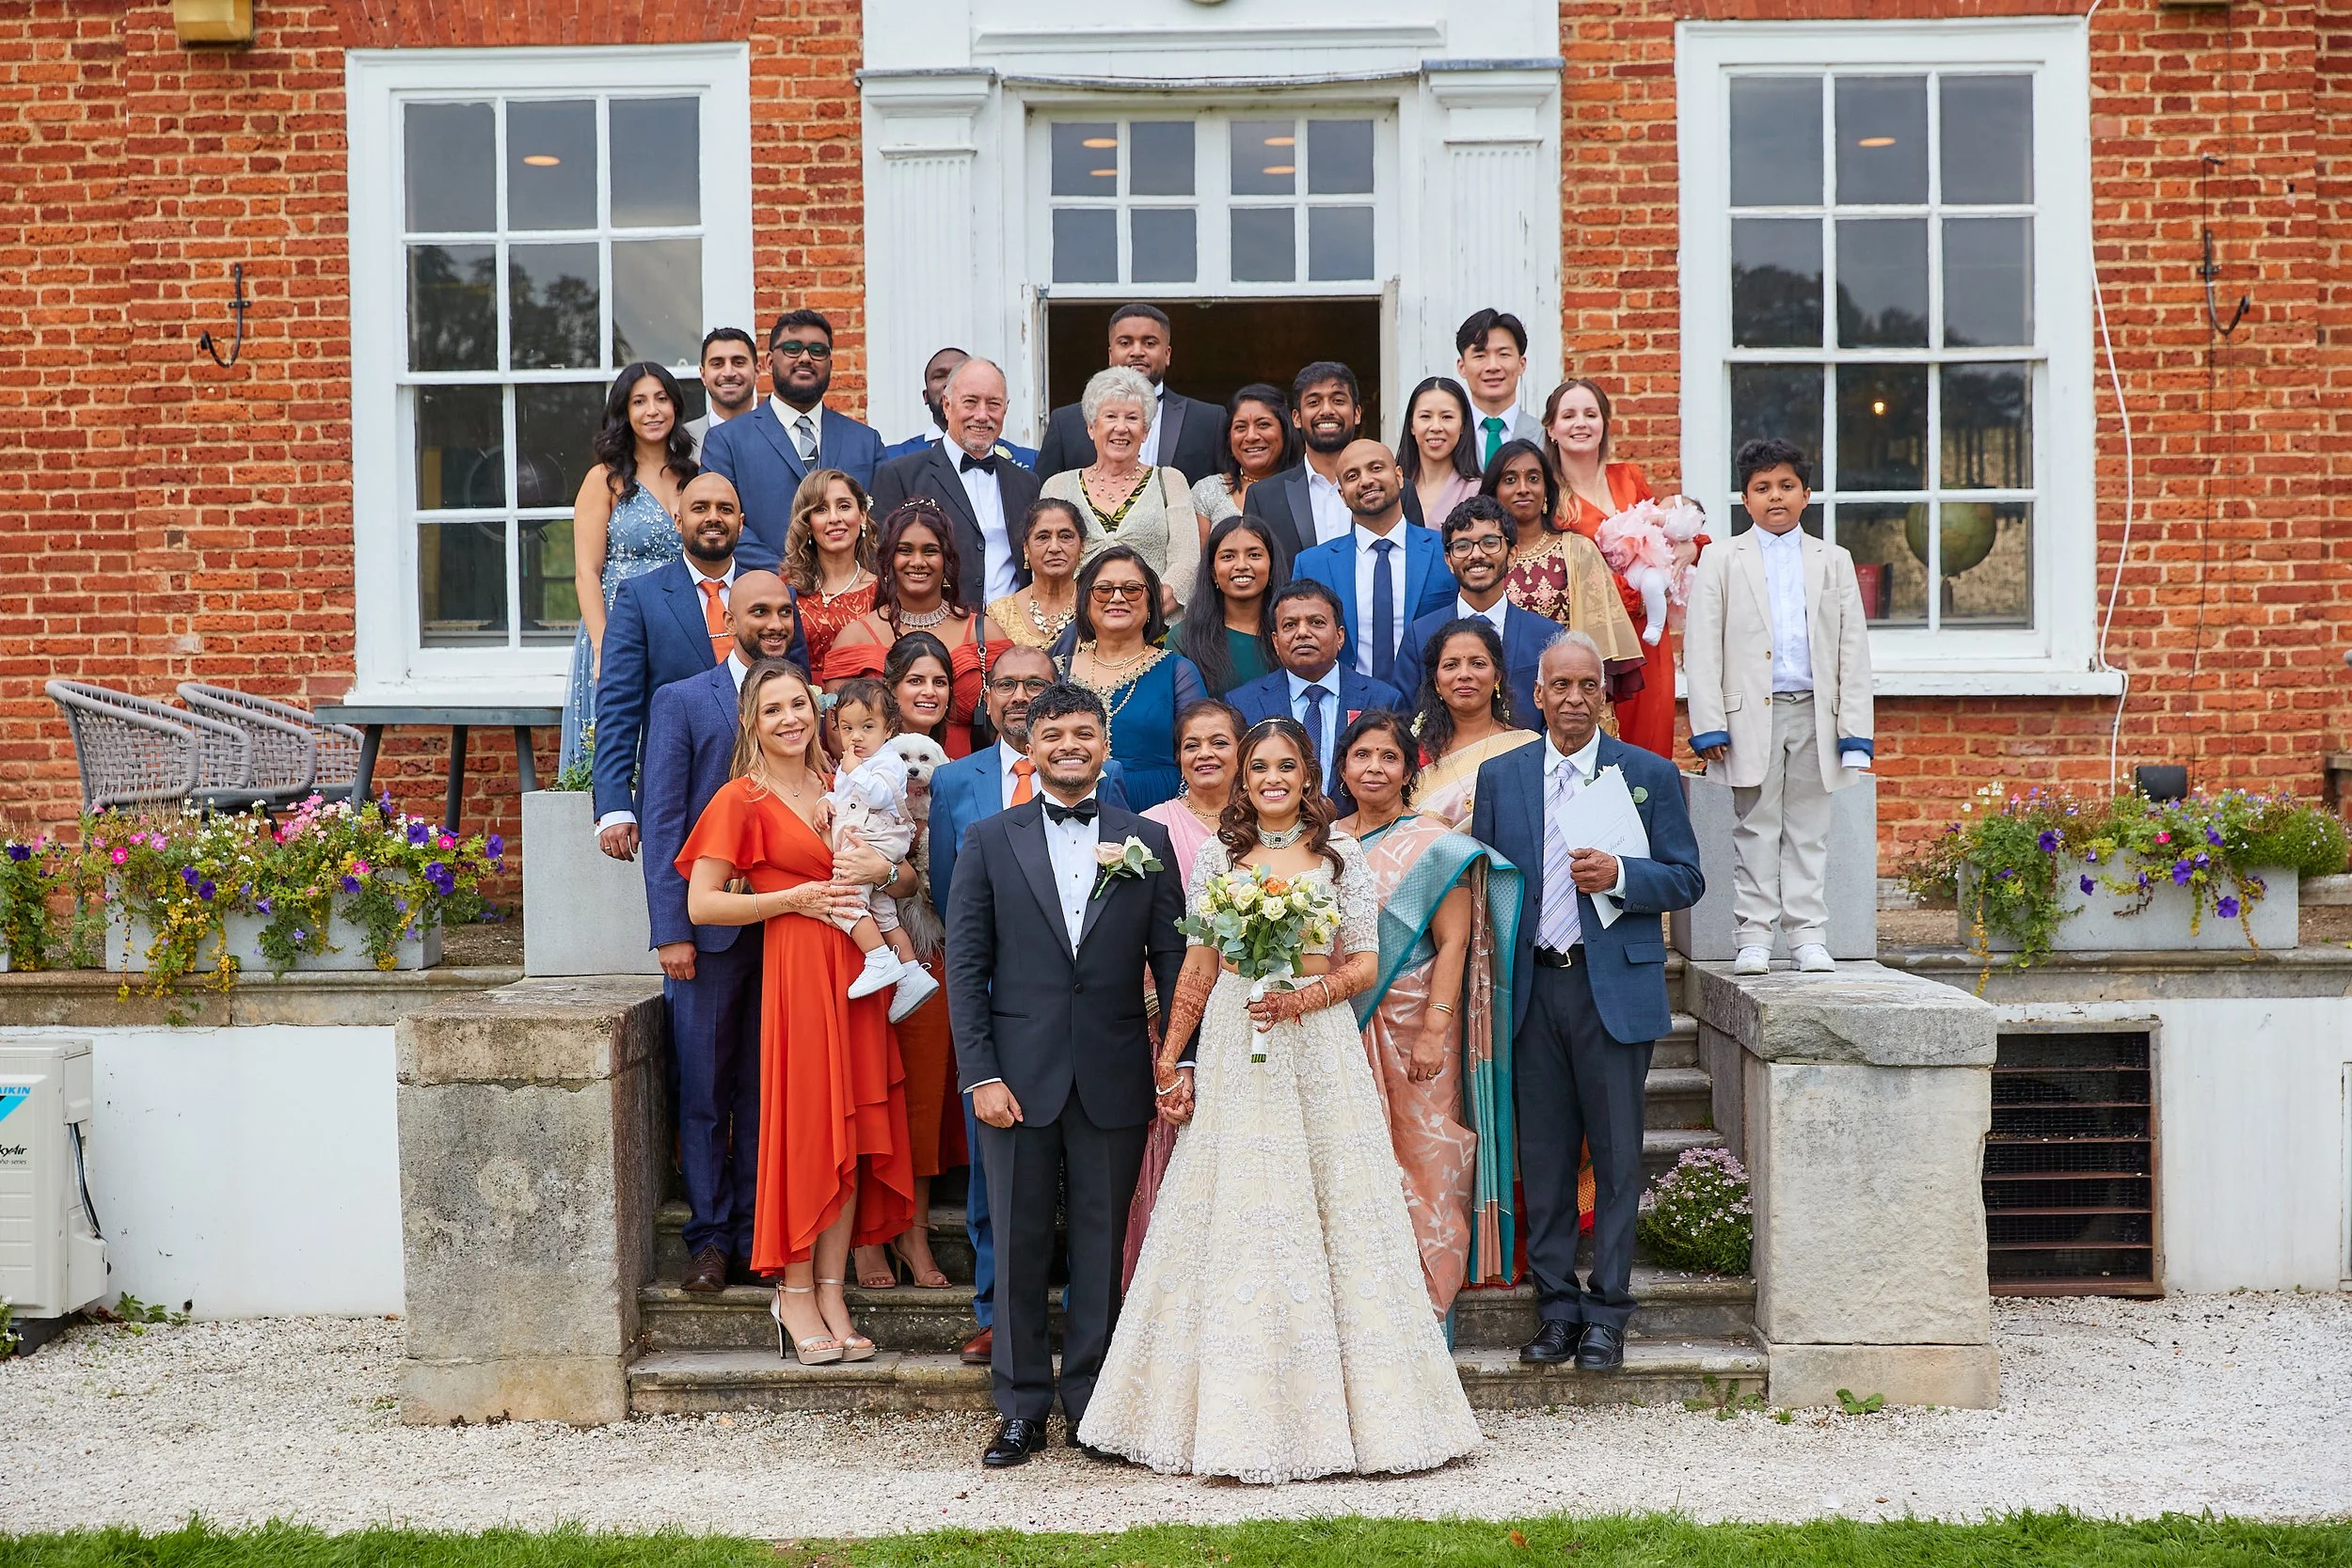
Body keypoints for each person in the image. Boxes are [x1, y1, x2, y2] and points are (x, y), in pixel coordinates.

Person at [1076, 718, 1483, 1481]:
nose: (1271, 777)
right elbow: (1198, 964)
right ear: (1244, 777)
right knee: (1235, 1202)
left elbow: (1365, 963)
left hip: (1316, 1042)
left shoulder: (1340, 854)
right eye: (1258, 765)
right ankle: (1219, 1414)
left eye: (1285, 765)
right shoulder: (1219, 856)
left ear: (1307, 776)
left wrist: (1303, 997)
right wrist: (1170, 1058)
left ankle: (1364, 1417)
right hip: (1238, 1037)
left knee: (1333, 1205)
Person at [945, 683, 1186, 1468]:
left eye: (1084, 733)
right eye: (1054, 734)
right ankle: (1020, 1408)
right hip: (1015, 1076)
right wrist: (980, 1073)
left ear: (1104, 746)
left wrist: (1177, 1057)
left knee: (1100, 1248)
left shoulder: (1147, 838)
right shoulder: (988, 838)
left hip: (1114, 1072)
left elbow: (1173, 961)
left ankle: (1091, 1402)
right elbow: (966, 968)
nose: (1069, 746)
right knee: (1017, 1245)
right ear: (1031, 745)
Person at [1470, 630, 1703, 1372]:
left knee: (1616, 1154)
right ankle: (1556, 1308)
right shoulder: (1501, 776)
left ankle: (1607, 1313)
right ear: (1537, 695)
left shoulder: (1648, 773)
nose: (1574, 698)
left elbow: (1687, 878)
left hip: (1612, 989)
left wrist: (1624, 876)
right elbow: (1485, 887)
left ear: (1603, 694)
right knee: (1541, 1155)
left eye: (1587, 685)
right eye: (1560, 686)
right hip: (1532, 986)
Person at [677, 660, 916, 1366]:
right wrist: (790, 900)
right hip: (797, 970)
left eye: (798, 706)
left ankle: (834, 1293)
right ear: (751, 721)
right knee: (810, 1131)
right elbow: (702, 904)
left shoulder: (842, 783)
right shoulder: (740, 798)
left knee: (852, 1132)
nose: (790, 719)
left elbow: (904, 877)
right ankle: (795, 1291)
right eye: (773, 708)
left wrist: (882, 871)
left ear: (816, 713)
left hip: (858, 969)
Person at [926, 646, 1133, 1367]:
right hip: (1003, 1038)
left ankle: (1088, 1360)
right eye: (1007, 684)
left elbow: (1142, 932)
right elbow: (958, 922)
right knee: (1007, 1210)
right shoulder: (969, 808)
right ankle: (1008, 1359)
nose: (1019, 695)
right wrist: (980, 1061)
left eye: (1035, 683)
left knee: (1096, 1216)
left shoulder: (1125, 807)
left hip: (1098, 1044)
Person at [637, 568, 818, 1294]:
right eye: (758, 611)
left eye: (784, 612)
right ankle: (710, 1238)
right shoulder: (683, 700)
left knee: (765, 1087)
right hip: (707, 935)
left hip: (789, 935)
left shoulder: (801, 700)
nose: (774, 623)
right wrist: (671, 929)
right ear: (727, 619)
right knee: (708, 1086)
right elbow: (662, 816)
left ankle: (755, 1233)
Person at [1331, 709, 1522, 1316]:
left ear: (1409, 769)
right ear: (1342, 768)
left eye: (1389, 757)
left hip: (1418, 1022)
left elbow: (1454, 941)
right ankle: (1362, 1301)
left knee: (1427, 1158)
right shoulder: (1324, 845)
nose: (1375, 768)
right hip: (1341, 1024)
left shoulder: (1435, 844)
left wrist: (1436, 1028)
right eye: (1362, 755)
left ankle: (1425, 1306)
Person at [1685, 437, 1875, 976]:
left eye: (1786, 486)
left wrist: (1854, 730)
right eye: (1762, 487)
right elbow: (1703, 646)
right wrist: (1710, 724)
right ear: (1745, 499)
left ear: (1806, 494)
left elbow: (1853, 649)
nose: (1775, 497)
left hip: (1816, 712)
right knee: (1756, 826)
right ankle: (1753, 936)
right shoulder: (1722, 559)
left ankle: (1808, 935)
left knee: (1809, 830)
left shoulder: (1833, 561)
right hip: (1750, 716)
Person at [592, 473, 800, 863]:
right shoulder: (641, 597)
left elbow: (799, 687)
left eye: (725, 509)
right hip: (679, 795)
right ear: (678, 520)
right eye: (700, 508)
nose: (713, 517)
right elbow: (619, 705)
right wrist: (614, 801)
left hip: (774, 792)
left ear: (741, 522)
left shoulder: (775, 595)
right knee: (679, 900)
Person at [1121, 697, 1245, 1290]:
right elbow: (1129, 926)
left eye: (1219, 742)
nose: (1205, 754)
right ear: (1176, 756)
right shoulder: (1149, 828)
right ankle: (1170, 1292)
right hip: (1170, 1015)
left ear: (1242, 751)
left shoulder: (1271, 824)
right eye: (1192, 744)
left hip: (1253, 1017)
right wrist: (1162, 1003)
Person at [1545, 377, 1705, 760]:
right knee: (1594, 752)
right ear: (1551, 428)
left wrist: (1691, 546)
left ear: (1604, 423)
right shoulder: (1549, 494)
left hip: (1647, 636)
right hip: (1589, 637)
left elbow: (1662, 531)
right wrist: (1633, 594)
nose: (1580, 423)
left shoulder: (1627, 476)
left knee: (1649, 747)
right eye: (1569, 415)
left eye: (1590, 414)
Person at [561, 361, 693, 777]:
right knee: (617, 749)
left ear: (675, 407)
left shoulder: (693, 476)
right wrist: (605, 647)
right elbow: (586, 571)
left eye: (661, 399)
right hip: (618, 627)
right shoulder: (604, 479)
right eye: (639, 402)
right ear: (624, 412)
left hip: (677, 626)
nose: (652, 410)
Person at [822, 499, 1009, 758]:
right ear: (889, 560)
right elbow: (837, 734)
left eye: (930, 551)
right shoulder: (855, 637)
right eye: (905, 550)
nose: (918, 561)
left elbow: (1013, 717)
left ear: (947, 560)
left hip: (972, 774)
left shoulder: (984, 633)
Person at [701, 309, 886, 559]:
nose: (806, 358)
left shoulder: (866, 441)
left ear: (831, 364)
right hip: (765, 579)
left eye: (817, 351)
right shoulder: (726, 440)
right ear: (769, 362)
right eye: (792, 348)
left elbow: (882, 520)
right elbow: (721, 522)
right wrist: (785, 575)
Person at [869, 357, 1041, 610]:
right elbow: (880, 562)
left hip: (1012, 628)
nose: (982, 415)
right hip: (931, 626)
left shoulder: (1027, 483)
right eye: (970, 402)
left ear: (1005, 409)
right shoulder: (900, 475)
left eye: (993, 404)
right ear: (947, 405)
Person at [819, 678, 943, 1022]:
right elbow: (843, 796)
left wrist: (854, 771)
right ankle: (912, 974)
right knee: (884, 913)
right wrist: (825, 800)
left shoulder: (887, 762)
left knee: (846, 901)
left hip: (877, 839)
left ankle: (878, 958)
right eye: (848, 728)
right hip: (867, 837)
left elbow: (878, 796)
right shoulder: (855, 762)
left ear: (888, 730)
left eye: (867, 727)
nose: (856, 737)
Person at [1289, 439, 1455, 690]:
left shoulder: (1446, 550)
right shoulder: (1312, 564)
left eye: (1376, 468)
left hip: (1434, 701)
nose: (1366, 480)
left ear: (1399, 476)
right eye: (1352, 476)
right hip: (1348, 705)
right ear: (1342, 495)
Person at [1486, 439, 1645, 695]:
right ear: (1494, 492)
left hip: (1565, 697)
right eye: (1510, 480)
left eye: (1533, 478)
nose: (1523, 489)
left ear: (1547, 490)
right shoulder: (1482, 556)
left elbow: (1599, 645)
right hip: (1496, 695)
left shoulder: (1578, 551)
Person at [1057, 546, 1207, 812]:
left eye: (1131, 589)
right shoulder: (1057, 672)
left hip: (1158, 813)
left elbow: (1200, 754)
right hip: (1070, 810)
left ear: (1150, 603)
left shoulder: (1177, 672)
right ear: (1086, 602)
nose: (1117, 598)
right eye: (1104, 589)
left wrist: (1177, 817)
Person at [1046, 366, 1201, 612]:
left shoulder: (1170, 482)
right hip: (1075, 626)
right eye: (1110, 416)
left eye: (1132, 418)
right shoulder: (1058, 486)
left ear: (1145, 431)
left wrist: (1140, 615)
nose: (1121, 427)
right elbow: (1046, 565)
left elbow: (1187, 563)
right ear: (1091, 428)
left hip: (1154, 626)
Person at [1228, 580, 1404, 796]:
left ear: (1340, 636)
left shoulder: (1383, 699)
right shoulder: (1243, 704)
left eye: (1316, 622)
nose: (1302, 632)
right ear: (1275, 641)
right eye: (1290, 625)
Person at [1394, 496, 1552, 733]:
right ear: (1448, 560)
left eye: (1489, 543)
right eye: (1462, 546)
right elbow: (1403, 721)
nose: (1476, 554)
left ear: (1511, 554)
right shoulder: (1420, 634)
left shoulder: (1546, 636)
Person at [1036, 303, 1223, 484]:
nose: (1137, 352)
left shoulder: (1208, 420)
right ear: (1110, 354)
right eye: (1125, 343)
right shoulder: (1066, 422)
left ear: (1167, 354)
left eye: (1149, 343)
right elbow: (1041, 498)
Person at [1406, 618, 1542, 827]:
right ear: (1437, 683)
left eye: (1478, 664)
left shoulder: (1527, 747)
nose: (1464, 674)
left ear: (1497, 677)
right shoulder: (1415, 756)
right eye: (1451, 665)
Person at [1243, 360, 1363, 563]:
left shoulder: (1395, 491)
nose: (1327, 410)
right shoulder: (1263, 497)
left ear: (1357, 413)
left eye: (1338, 400)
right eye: (1314, 402)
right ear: (1297, 418)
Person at [1168, 515, 1286, 698]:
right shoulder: (1184, 638)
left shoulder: (1293, 634)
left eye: (1254, 555)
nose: (1241, 565)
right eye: (1228, 556)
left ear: (1271, 567)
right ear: (1213, 572)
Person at [879, 345, 1041, 468]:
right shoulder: (892, 460)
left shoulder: (1027, 462)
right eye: (939, 376)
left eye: (958, 373)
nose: (949, 382)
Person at [780, 467, 875, 674]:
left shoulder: (883, 592)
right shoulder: (785, 589)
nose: (834, 518)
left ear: (862, 515)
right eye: (821, 509)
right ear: (807, 523)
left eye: (844, 506)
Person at [1190, 383, 1297, 528]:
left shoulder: (1307, 487)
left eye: (1263, 425)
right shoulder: (1207, 491)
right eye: (1240, 427)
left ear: (1285, 432)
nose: (1251, 436)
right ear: (1229, 438)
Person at [987, 498, 1084, 653]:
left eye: (1065, 537)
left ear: (1082, 547)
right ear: (1026, 549)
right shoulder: (1001, 614)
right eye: (1043, 537)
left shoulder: (1096, 608)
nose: (1054, 548)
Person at [1455, 308, 1541, 466]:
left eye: (1504, 355)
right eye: (1480, 356)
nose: (1493, 367)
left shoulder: (1544, 437)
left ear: (1522, 364)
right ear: (1462, 367)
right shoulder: (1449, 436)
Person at [1398, 375, 1482, 531]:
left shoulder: (1477, 491)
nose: (1436, 427)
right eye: (1425, 417)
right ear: (1411, 425)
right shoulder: (1393, 487)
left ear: (1463, 425)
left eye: (1447, 417)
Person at [683, 327, 758, 461]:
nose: (728, 373)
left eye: (739, 363)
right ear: (703, 375)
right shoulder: (682, 440)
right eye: (717, 364)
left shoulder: (782, 433)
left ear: (757, 371)